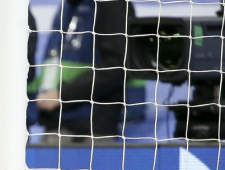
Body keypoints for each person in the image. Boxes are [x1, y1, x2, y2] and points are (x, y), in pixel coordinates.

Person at [36, 0, 144, 143]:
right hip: (55, 125)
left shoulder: (112, 4)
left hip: (90, 132)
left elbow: (118, 67)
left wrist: (62, 95)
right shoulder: (67, 6)